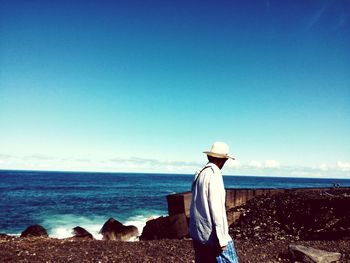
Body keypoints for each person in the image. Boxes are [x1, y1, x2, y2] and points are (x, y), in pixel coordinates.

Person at [189, 142, 239, 263]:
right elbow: (217, 210)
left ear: (209, 156)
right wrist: (222, 239)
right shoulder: (214, 174)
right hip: (212, 236)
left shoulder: (200, 173)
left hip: (198, 234)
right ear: (224, 160)